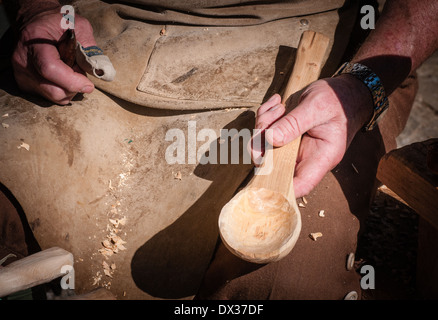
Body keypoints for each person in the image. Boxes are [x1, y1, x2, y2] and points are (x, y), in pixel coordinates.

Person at [0, 0, 436, 300]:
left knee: (288, 286)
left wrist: (362, 88)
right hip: (117, 37)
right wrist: (37, 9)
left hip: (330, 55)